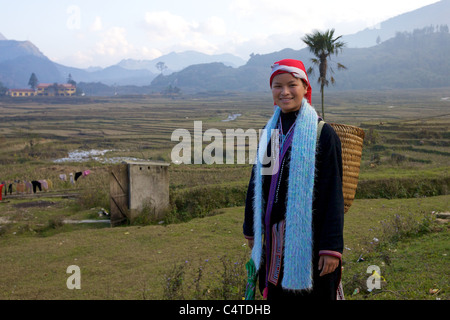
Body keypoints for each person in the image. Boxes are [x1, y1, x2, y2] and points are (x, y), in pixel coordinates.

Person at [243, 59, 344, 300]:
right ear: (272, 91)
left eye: (292, 84)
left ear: (305, 88)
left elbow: (333, 193)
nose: (285, 92)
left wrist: (331, 247)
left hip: (312, 239)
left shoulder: (322, 133)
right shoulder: (271, 131)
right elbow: (258, 184)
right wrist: (251, 228)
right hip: (274, 240)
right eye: (277, 86)